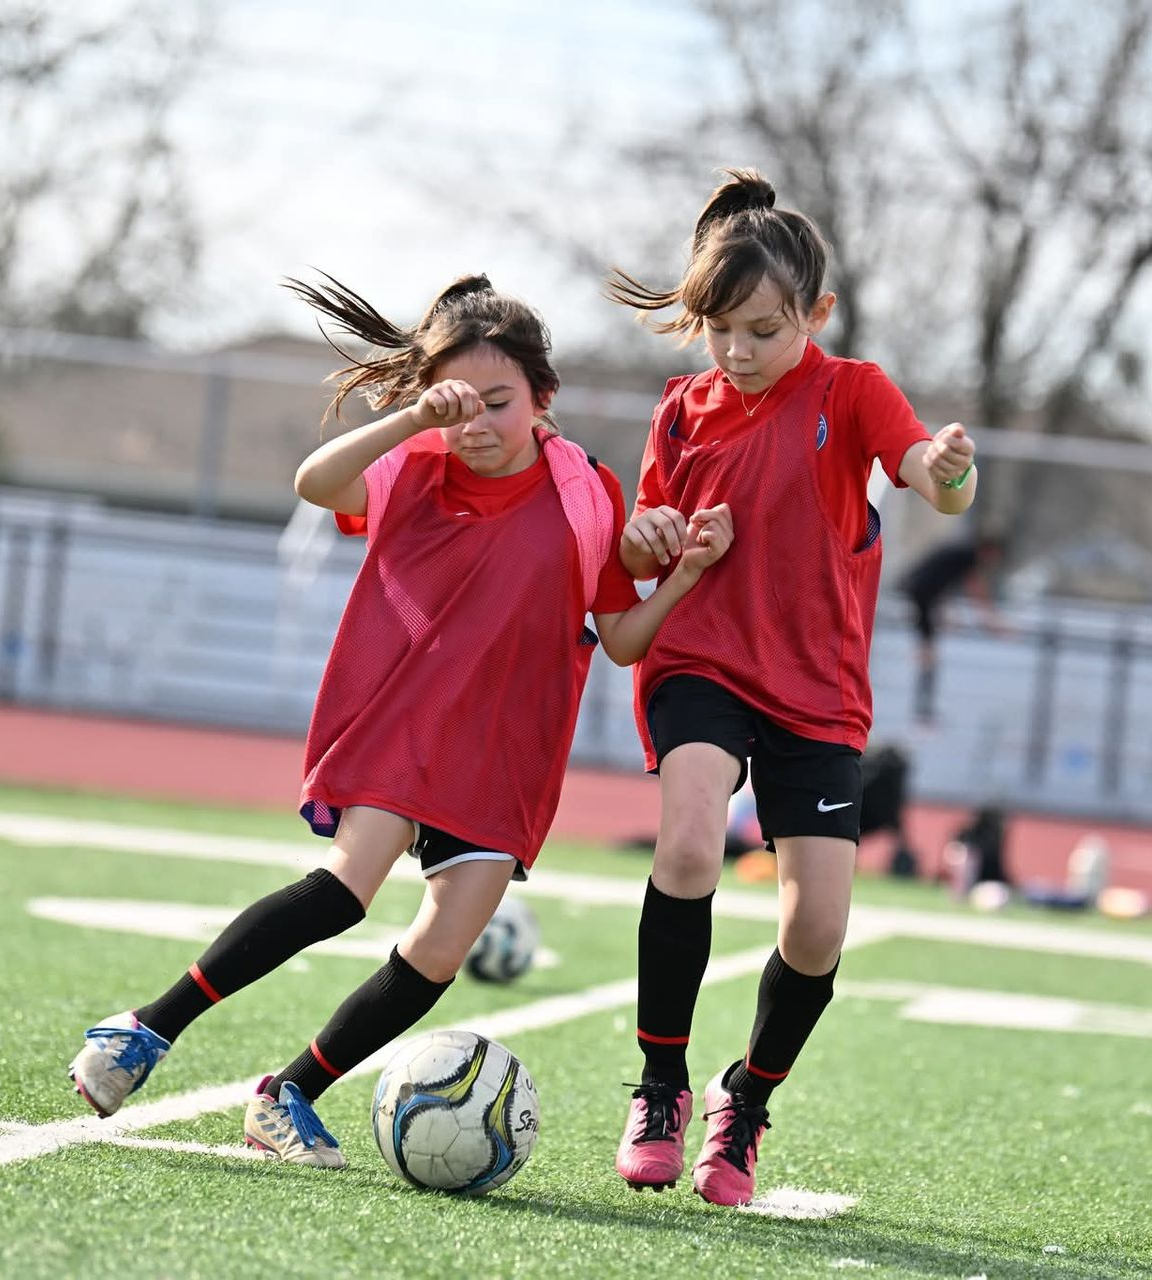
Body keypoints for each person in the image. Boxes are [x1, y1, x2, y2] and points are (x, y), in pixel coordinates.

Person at [68, 272, 732, 1167]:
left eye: (499, 401)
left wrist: (682, 578)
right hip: (401, 718)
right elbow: (316, 482)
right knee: (348, 886)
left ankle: (288, 1092)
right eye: (458, 403)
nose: (478, 424)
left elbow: (620, 641)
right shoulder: (416, 463)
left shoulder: (585, 493)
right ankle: (145, 1029)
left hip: (508, 748)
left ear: (544, 397)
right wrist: (416, 418)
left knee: (440, 947)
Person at [606, 169, 978, 1206]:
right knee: (686, 842)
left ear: (815, 314)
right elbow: (646, 534)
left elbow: (932, 480)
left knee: (817, 929)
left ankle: (745, 1100)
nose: (740, 350)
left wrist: (951, 468)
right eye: (721, 328)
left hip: (817, 687)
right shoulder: (681, 410)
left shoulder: (851, 388)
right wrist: (654, 534)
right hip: (705, 662)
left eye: (765, 328)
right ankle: (661, 1086)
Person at [898, 532, 1007, 722]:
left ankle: (923, 706)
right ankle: (922, 709)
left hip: (920, 592)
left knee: (928, 652)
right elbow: (975, 591)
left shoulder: (962, 553)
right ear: (990, 550)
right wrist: (992, 620)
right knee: (927, 654)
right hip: (921, 594)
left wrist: (947, 611)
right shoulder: (969, 556)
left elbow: (942, 579)